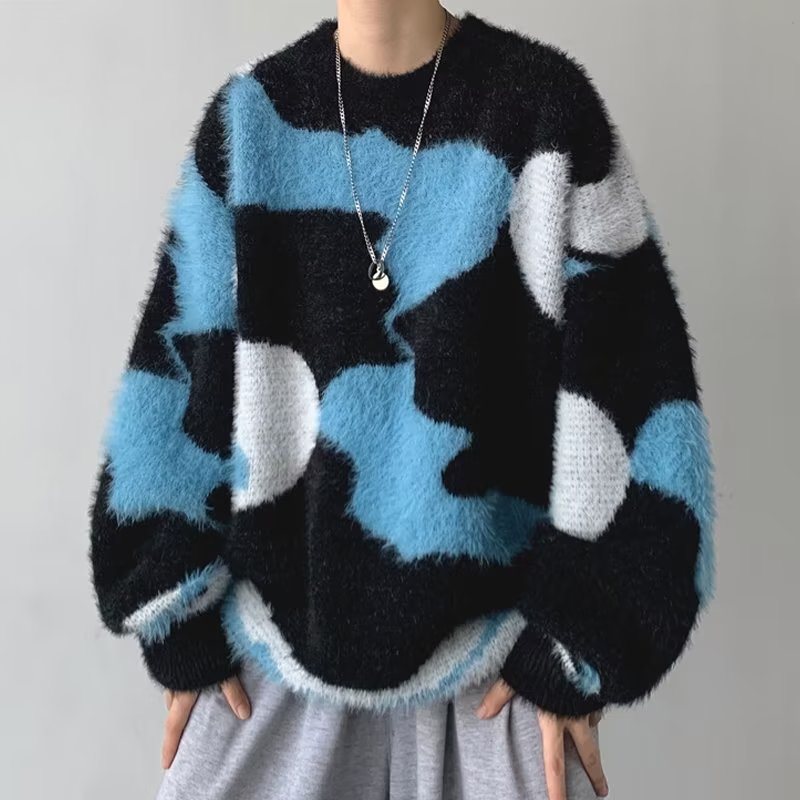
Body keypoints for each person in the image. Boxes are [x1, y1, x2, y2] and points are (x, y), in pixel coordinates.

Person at [87, 2, 716, 798]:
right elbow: (177, 380)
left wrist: (584, 638)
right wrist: (172, 617)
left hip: (493, 685)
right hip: (271, 670)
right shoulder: (251, 121)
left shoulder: (545, 113)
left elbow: (637, 392)